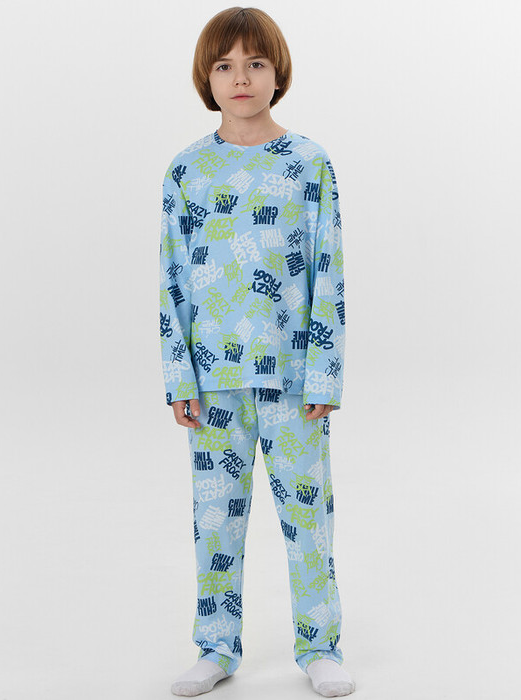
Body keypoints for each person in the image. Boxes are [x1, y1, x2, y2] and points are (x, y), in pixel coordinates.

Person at [159, 7, 355, 697]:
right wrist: (179, 377)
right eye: (224, 65)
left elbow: (328, 270)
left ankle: (319, 646)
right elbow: (173, 279)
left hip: (294, 380)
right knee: (215, 524)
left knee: (309, 521)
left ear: (278, 74)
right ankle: (216, 646)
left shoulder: (307, 165)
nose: (240, 77)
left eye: (255, 63)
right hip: (213, 382)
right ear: (206, 79)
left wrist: (325, 374)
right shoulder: (186, 171)